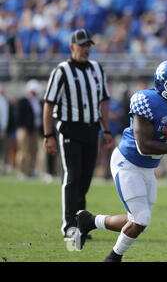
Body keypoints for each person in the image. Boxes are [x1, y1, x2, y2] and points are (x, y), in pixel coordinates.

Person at [73, 59, 167, 262]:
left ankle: (90, 221)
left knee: (138, 220)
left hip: (147, 168)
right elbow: (144, 146)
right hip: (128, 163)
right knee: (141, 218)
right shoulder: (146, 101)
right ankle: (113, 258)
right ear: (162, 86)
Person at [42, 29, 114, 250]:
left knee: (85, 179)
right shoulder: (61, 71)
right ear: (72, 47)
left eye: (88, 45)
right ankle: (69, 225)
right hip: (69, 129)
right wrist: (48, 135)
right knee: (72, 177)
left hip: (91, 129)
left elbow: (103, 101)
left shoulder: (96, 69)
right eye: (81, 45)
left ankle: (82, 222)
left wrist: (106, 130)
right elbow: (49, 104)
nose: (85, 49)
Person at [15, 79, 43, 178]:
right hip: (24, 130)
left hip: (34, 130)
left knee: (33, 151)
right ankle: (22, 171)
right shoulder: (22, 101)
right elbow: (18, 116)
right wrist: (23, 128)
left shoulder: (37, 102)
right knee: (23, 151)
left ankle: (31, 170)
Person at [0, 85, 9, 174]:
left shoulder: (4, 101)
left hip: (4, 128)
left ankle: (3, 168)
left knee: (4, 150)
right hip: (2, 127)